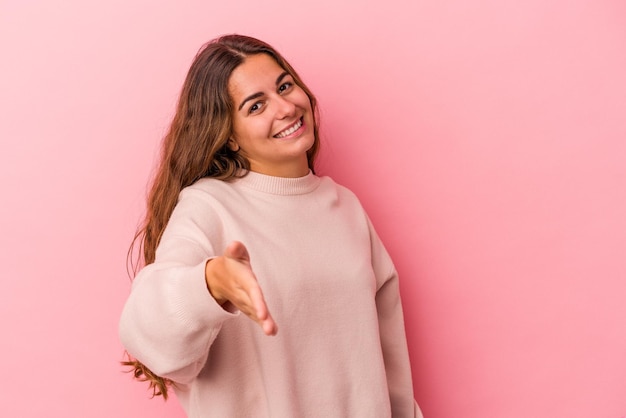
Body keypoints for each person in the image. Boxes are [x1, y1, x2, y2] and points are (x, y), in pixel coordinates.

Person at [119, 34, 423, 418]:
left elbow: (389, 360)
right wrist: (210, 285)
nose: (285, 107)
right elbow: (145, 328)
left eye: (285, 86)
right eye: (256, 105)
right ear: (227, 134)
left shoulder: (345, 206)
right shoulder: (209, 205)